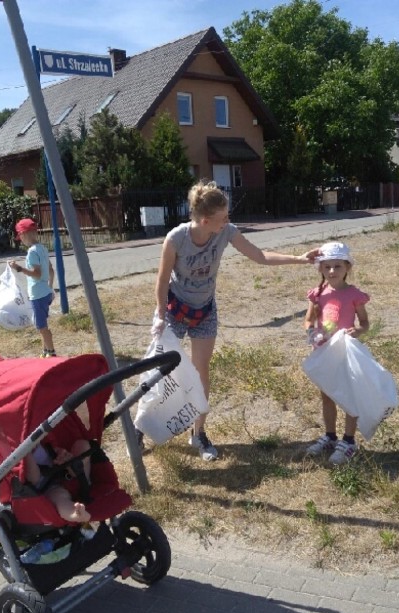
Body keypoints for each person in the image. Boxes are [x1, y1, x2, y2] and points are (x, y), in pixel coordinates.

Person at [151, 179, 320, 461]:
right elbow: (161, 280)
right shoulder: (176, 239)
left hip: (204, 310)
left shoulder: (226, 232)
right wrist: (159, 314)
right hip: (175, 309)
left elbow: (260, 256)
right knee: (161, 370)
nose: (229, 221)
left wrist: (300, 259)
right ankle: (145, 424)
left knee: (201, 371)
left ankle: (198, 432)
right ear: (206, 220)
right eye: (224, 217)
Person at [303, 241, 370, 465]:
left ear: (347, 267)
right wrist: (312, 333)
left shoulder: (353, 294)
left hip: (345, 352)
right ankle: (330, 436)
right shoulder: (318, 294)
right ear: (320, 268)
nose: (332, 271)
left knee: (349, 394)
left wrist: (357, 330)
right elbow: (309, 320)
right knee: (328, 394)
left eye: (337, 266)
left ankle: (349, 441)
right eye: (327, 266)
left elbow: (364, 323)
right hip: (324, 352)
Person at [9, 219, 56, 357]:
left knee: (41, 326)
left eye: (20, 237)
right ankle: (46, 350)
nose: (21, 240)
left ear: (24, 234)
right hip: (45, 292)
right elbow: (51, 270)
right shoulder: (42, 248)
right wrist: (50, 288)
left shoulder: (31, 252)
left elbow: (37, 274)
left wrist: (19, 268)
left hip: (38, 294)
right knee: (42, 324)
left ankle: (52, 352)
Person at [24, 440, 92, 524]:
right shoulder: (22, 457)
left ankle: (85, 480)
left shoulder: (40, 445)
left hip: (67, 472)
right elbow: (34, 479)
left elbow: (53, 451)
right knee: (60, 498)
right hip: (49, 487)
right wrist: (26, 453)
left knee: (82, 444)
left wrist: (61, 454)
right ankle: (74, 513)